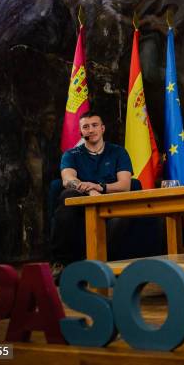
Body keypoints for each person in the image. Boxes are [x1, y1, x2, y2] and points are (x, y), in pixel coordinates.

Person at [50, 111, 133, 278]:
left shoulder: (118, 152)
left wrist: (99, 187)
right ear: (81, 132)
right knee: (67, 196)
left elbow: (125, 186)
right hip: (81, 205)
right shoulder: (71, 154)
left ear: (102, 128)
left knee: (123, 216)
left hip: (110, 203)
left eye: (95, 125)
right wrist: (89, 190)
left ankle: (92, 262)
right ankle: (62, 262)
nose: (90, 130)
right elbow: (68, 179)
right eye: (85, 127)